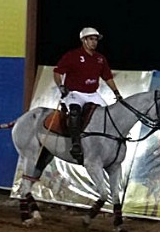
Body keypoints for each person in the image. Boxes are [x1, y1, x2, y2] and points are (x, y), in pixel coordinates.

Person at [52, 27, 123, 162]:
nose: (94, 42)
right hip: (75, 93)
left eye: (96, 39)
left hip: (92, 93)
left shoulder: (100, 59)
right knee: (75, 112)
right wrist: (61, 86)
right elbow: (57, 72)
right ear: (84, 40)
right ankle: (76, 144)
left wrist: (116, 93)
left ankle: (111, 143)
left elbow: (108, 77)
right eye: (91, 39)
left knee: (107, 113)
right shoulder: (72, 56)